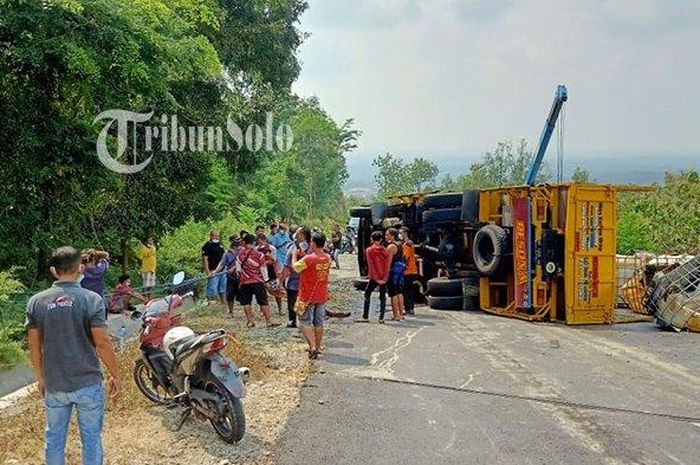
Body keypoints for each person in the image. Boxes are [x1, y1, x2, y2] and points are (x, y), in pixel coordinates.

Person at [26, 246, 122, 465]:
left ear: (53, 270)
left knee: (54, 438)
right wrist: (116, 375)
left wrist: (40, 377)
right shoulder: (92, 300)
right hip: (88, 382)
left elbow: (34, 344)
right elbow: (102, 342)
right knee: (91, 439)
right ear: (80, 268)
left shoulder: (36, 302)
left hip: (55, 383)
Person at [292, 232, 331, 359]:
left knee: (304, 321)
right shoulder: (327, 257)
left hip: (306, 295)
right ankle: (318, 347)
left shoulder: (309, 259)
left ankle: (312, 346)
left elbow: (296, 268)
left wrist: (294, 256)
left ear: (313, 243)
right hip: (321, 295)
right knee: (318, 323)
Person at [236, 234, 279, 328]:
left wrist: (242, 279)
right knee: (263, 301)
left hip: (245, 282)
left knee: (246, 302)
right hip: (258, 281)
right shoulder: (259, 254)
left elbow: (238, 270)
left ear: (244, 243)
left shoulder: (239, 255)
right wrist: (266, 281)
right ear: (254, 243)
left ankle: (250, 321)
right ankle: (268, 321)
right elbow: (263, 269)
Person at [278, 226, 310, 328]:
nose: (295, 235)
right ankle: (302, 321)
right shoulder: (312, 248)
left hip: (297, 281)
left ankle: (295, 321)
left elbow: (287, 267)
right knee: (302, 300)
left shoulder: (293, 248)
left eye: (298, 234)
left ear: (303, 235)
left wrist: (280, 281)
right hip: (305, 282)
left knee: (294, 301)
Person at [356, 231, 390, 323]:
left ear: (372, 239)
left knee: (367, 294)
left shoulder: (369, 250)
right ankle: (381, 317)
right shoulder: (385, 250)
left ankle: (365, 316)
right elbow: (387, 265)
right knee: (383, 297)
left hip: (374, 277)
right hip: (383, 277)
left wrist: (375, 278)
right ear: (381, 239)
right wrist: (385, 278)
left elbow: (371, 265)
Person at [211, 234, 241, 318]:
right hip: (231, 277)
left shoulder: (243, 250)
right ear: (231, 241)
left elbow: (242, 261)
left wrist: (234, 267)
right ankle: (231, 312)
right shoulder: (227, 253)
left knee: (245, 295)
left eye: (238, 239)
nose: (237, 241)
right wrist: (215, 272)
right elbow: (222, 264)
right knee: (230, 295)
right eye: (236, 239)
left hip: (242, 276)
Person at [257, 233, 284, 315]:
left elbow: (274, 260)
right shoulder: (256, 249)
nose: (259, 242)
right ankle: (262, 310)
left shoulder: (271, 248)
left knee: (276, 290)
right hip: (261, 273)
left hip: (271, 272)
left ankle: (280, 308)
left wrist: (264, 262)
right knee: (262, 292)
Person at [80, 248, 109, 317]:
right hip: (99, 303)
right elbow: (106, 255)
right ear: (93, 259)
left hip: (84, 305)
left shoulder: (79, 272)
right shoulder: (101, 268)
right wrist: (94, 252)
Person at [386, 228, 406, 321]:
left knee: (393, 294)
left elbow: (388, 261)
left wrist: (385, 272)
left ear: (392, 235)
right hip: (399, 271)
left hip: (392, 272)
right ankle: (401, 314)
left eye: (387, 234)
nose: (386, 236)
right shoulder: (399, 245)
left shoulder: (391, 247)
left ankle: (395, 315)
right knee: (399, 292)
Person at [202, 230, 226, 305]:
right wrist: (207, 271)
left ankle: (223, 302)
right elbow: (205, 258)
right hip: (213, 269)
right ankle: (210, 302)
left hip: (222, 269)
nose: (216, 237)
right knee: (212, 287)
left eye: (217, 235)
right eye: (214, 235)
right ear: (211, 236)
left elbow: (224, 256)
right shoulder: (207, 245)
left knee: (222, 287)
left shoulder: (220, 244)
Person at [400, 226, 418, 316]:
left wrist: (402, 267)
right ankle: (410, 308)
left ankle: (408, 309)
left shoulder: (407, 244)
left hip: (407, 271)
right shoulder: (408, 243)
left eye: (401, 233)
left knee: (406, 291)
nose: (400, 235)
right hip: (410, 270)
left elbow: (405, 258)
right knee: (409, 290)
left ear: (405, 233)